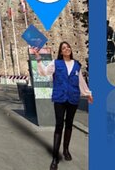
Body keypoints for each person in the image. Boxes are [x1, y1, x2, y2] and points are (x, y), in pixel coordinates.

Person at [34, 42, 92, 170]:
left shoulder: (77, 65)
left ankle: (66, 150)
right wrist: (38, 59)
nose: (67, 49)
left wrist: (88, 94)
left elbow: (80, 81)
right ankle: (55, 158)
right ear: (61, 52)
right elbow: (44, 72)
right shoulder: (56, 63)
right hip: (60, 98)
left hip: (73, 98)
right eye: (64, 48)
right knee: (59, 125)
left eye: (68, 47)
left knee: (69, 124)